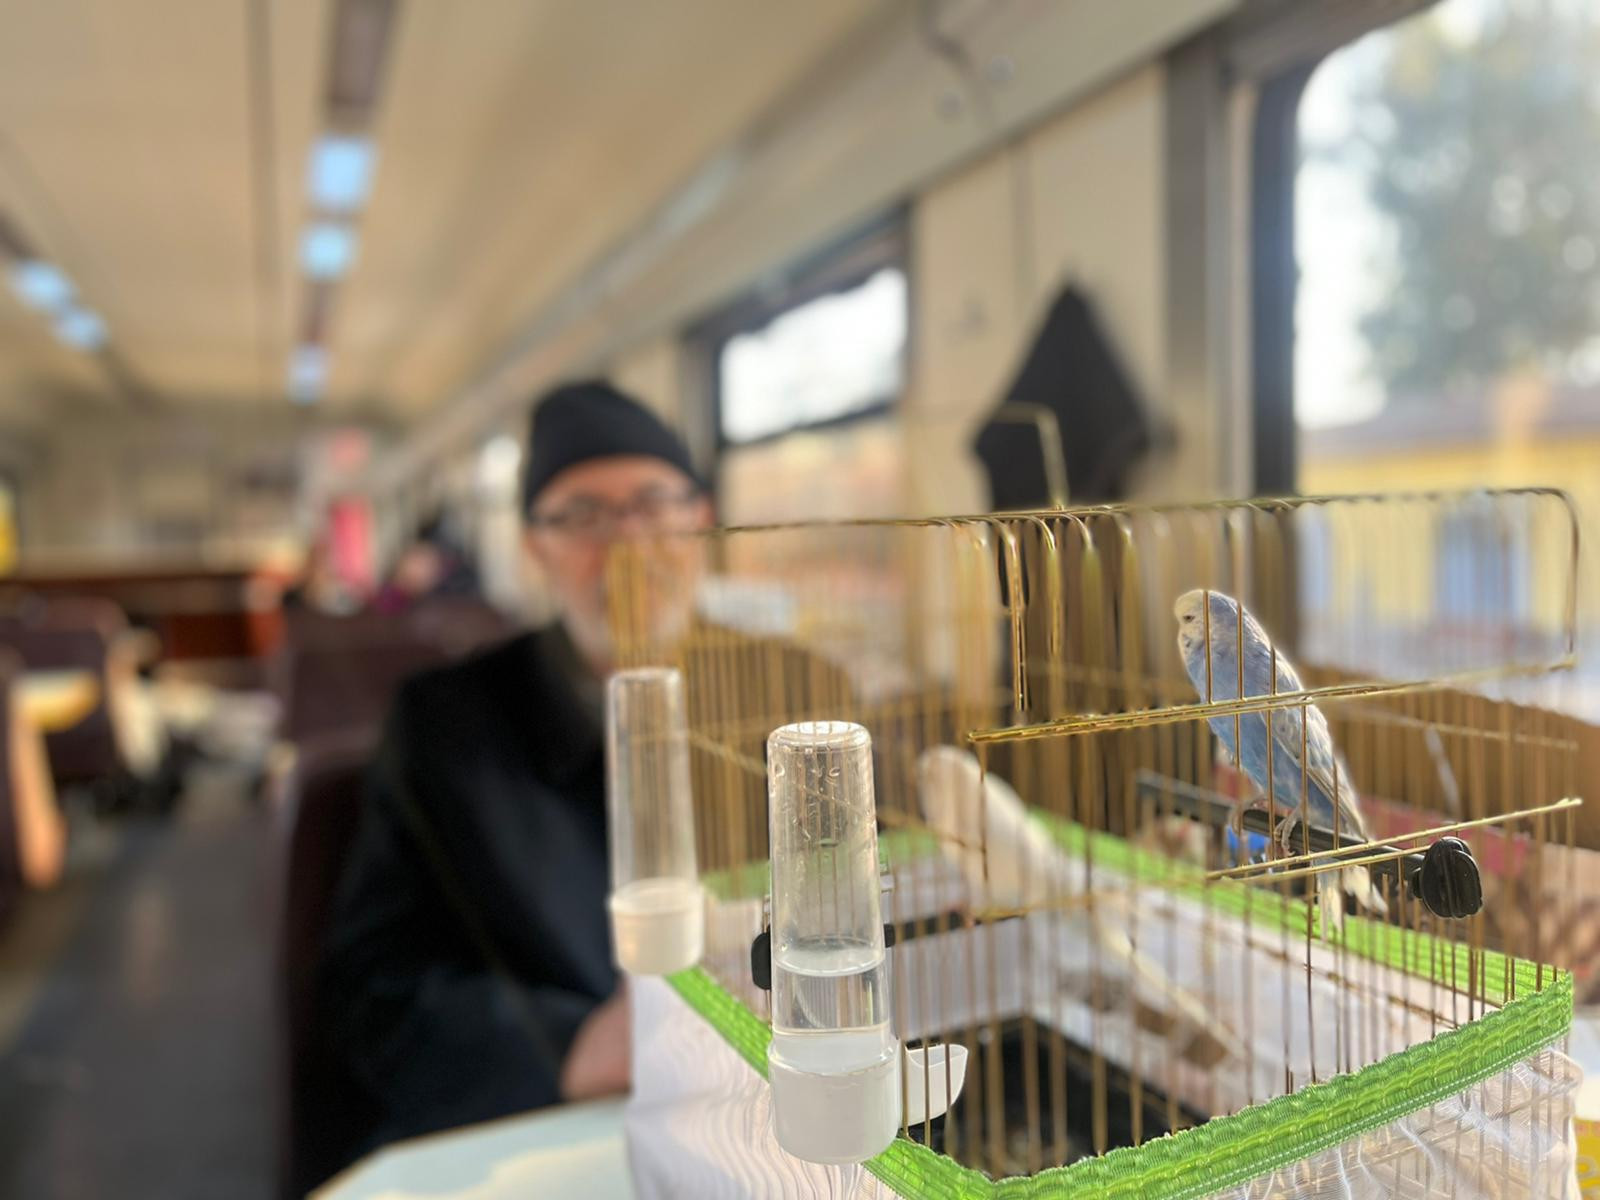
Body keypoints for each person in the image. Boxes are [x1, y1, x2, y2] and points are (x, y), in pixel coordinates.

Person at [309, 381, 716, 1187]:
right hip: (542, 1129)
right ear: (535, 546)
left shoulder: (798, 703)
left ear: (701, 519)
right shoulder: (445, 725)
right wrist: (568, 1045)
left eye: (653, 503)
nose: (629, 542)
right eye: (582, 516)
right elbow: (367, 988)